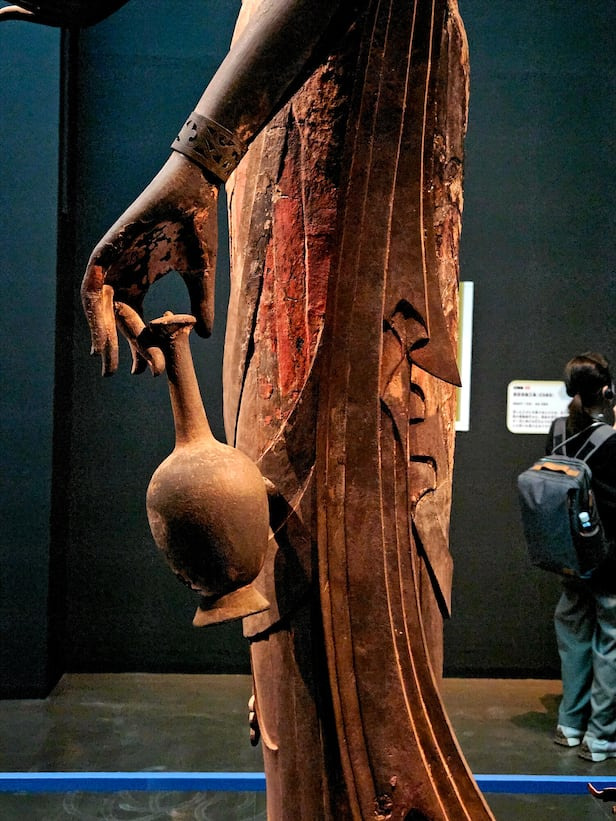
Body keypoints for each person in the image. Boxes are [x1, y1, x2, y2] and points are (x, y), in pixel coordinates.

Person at [5, 1, 494, 817]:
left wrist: (198, 158)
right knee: (290, 640)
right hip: (289, 289)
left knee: (350, 636)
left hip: (358, 333)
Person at [549, 353, 616, 761]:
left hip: (569, 553)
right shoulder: (611, 440)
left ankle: (569, 725)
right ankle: (601, 736)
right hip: (609, 559)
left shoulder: (557, 431)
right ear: (606, 391)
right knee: (610, 643)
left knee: (573, 638)